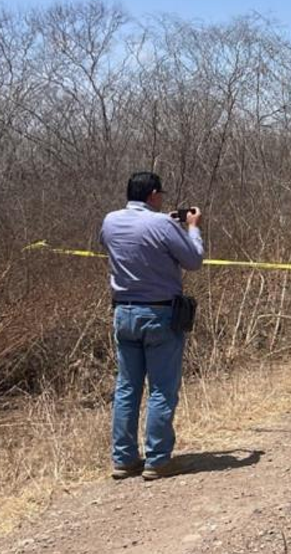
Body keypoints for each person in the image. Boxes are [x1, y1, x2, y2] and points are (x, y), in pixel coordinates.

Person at [99, 171, 204, 480]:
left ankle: (124, 459)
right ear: (153, 194)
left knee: (127, 388)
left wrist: (166, 225)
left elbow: (120, 244)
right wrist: (192, 228)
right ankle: (157, 460)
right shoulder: (162, 224)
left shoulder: (110, 221)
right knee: (161, 388)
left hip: (123, 313)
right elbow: (194, 260)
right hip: (159, 314)